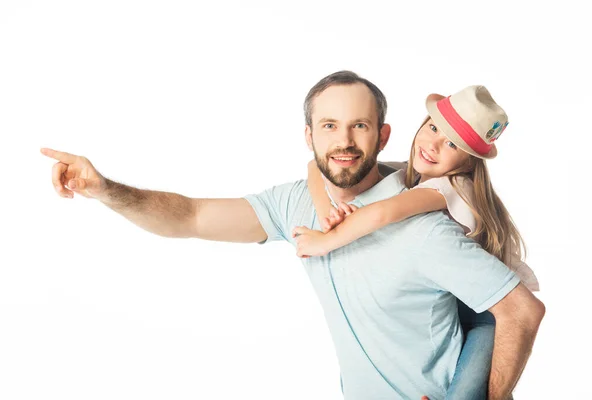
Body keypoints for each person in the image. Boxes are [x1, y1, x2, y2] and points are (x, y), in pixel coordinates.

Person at [40, 71, 545, 400]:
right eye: (329, 126)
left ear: (383, 135)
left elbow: (520, 310)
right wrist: (105, 189)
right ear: (310, 136)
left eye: (360, 127)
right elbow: (190, 216)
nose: (343, 142)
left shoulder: (426, 226)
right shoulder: (298, 203)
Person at [293, 84, 540, 399]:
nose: (433, 145)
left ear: (467, 162)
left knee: (465, 394)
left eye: (451, 143)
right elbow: (325, 169)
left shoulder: (451, 187)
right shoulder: (421, 176)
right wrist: (323, 193)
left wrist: (324, 242)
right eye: (433, 127)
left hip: (485, 314)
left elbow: (385, 213)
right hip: (457, 301)